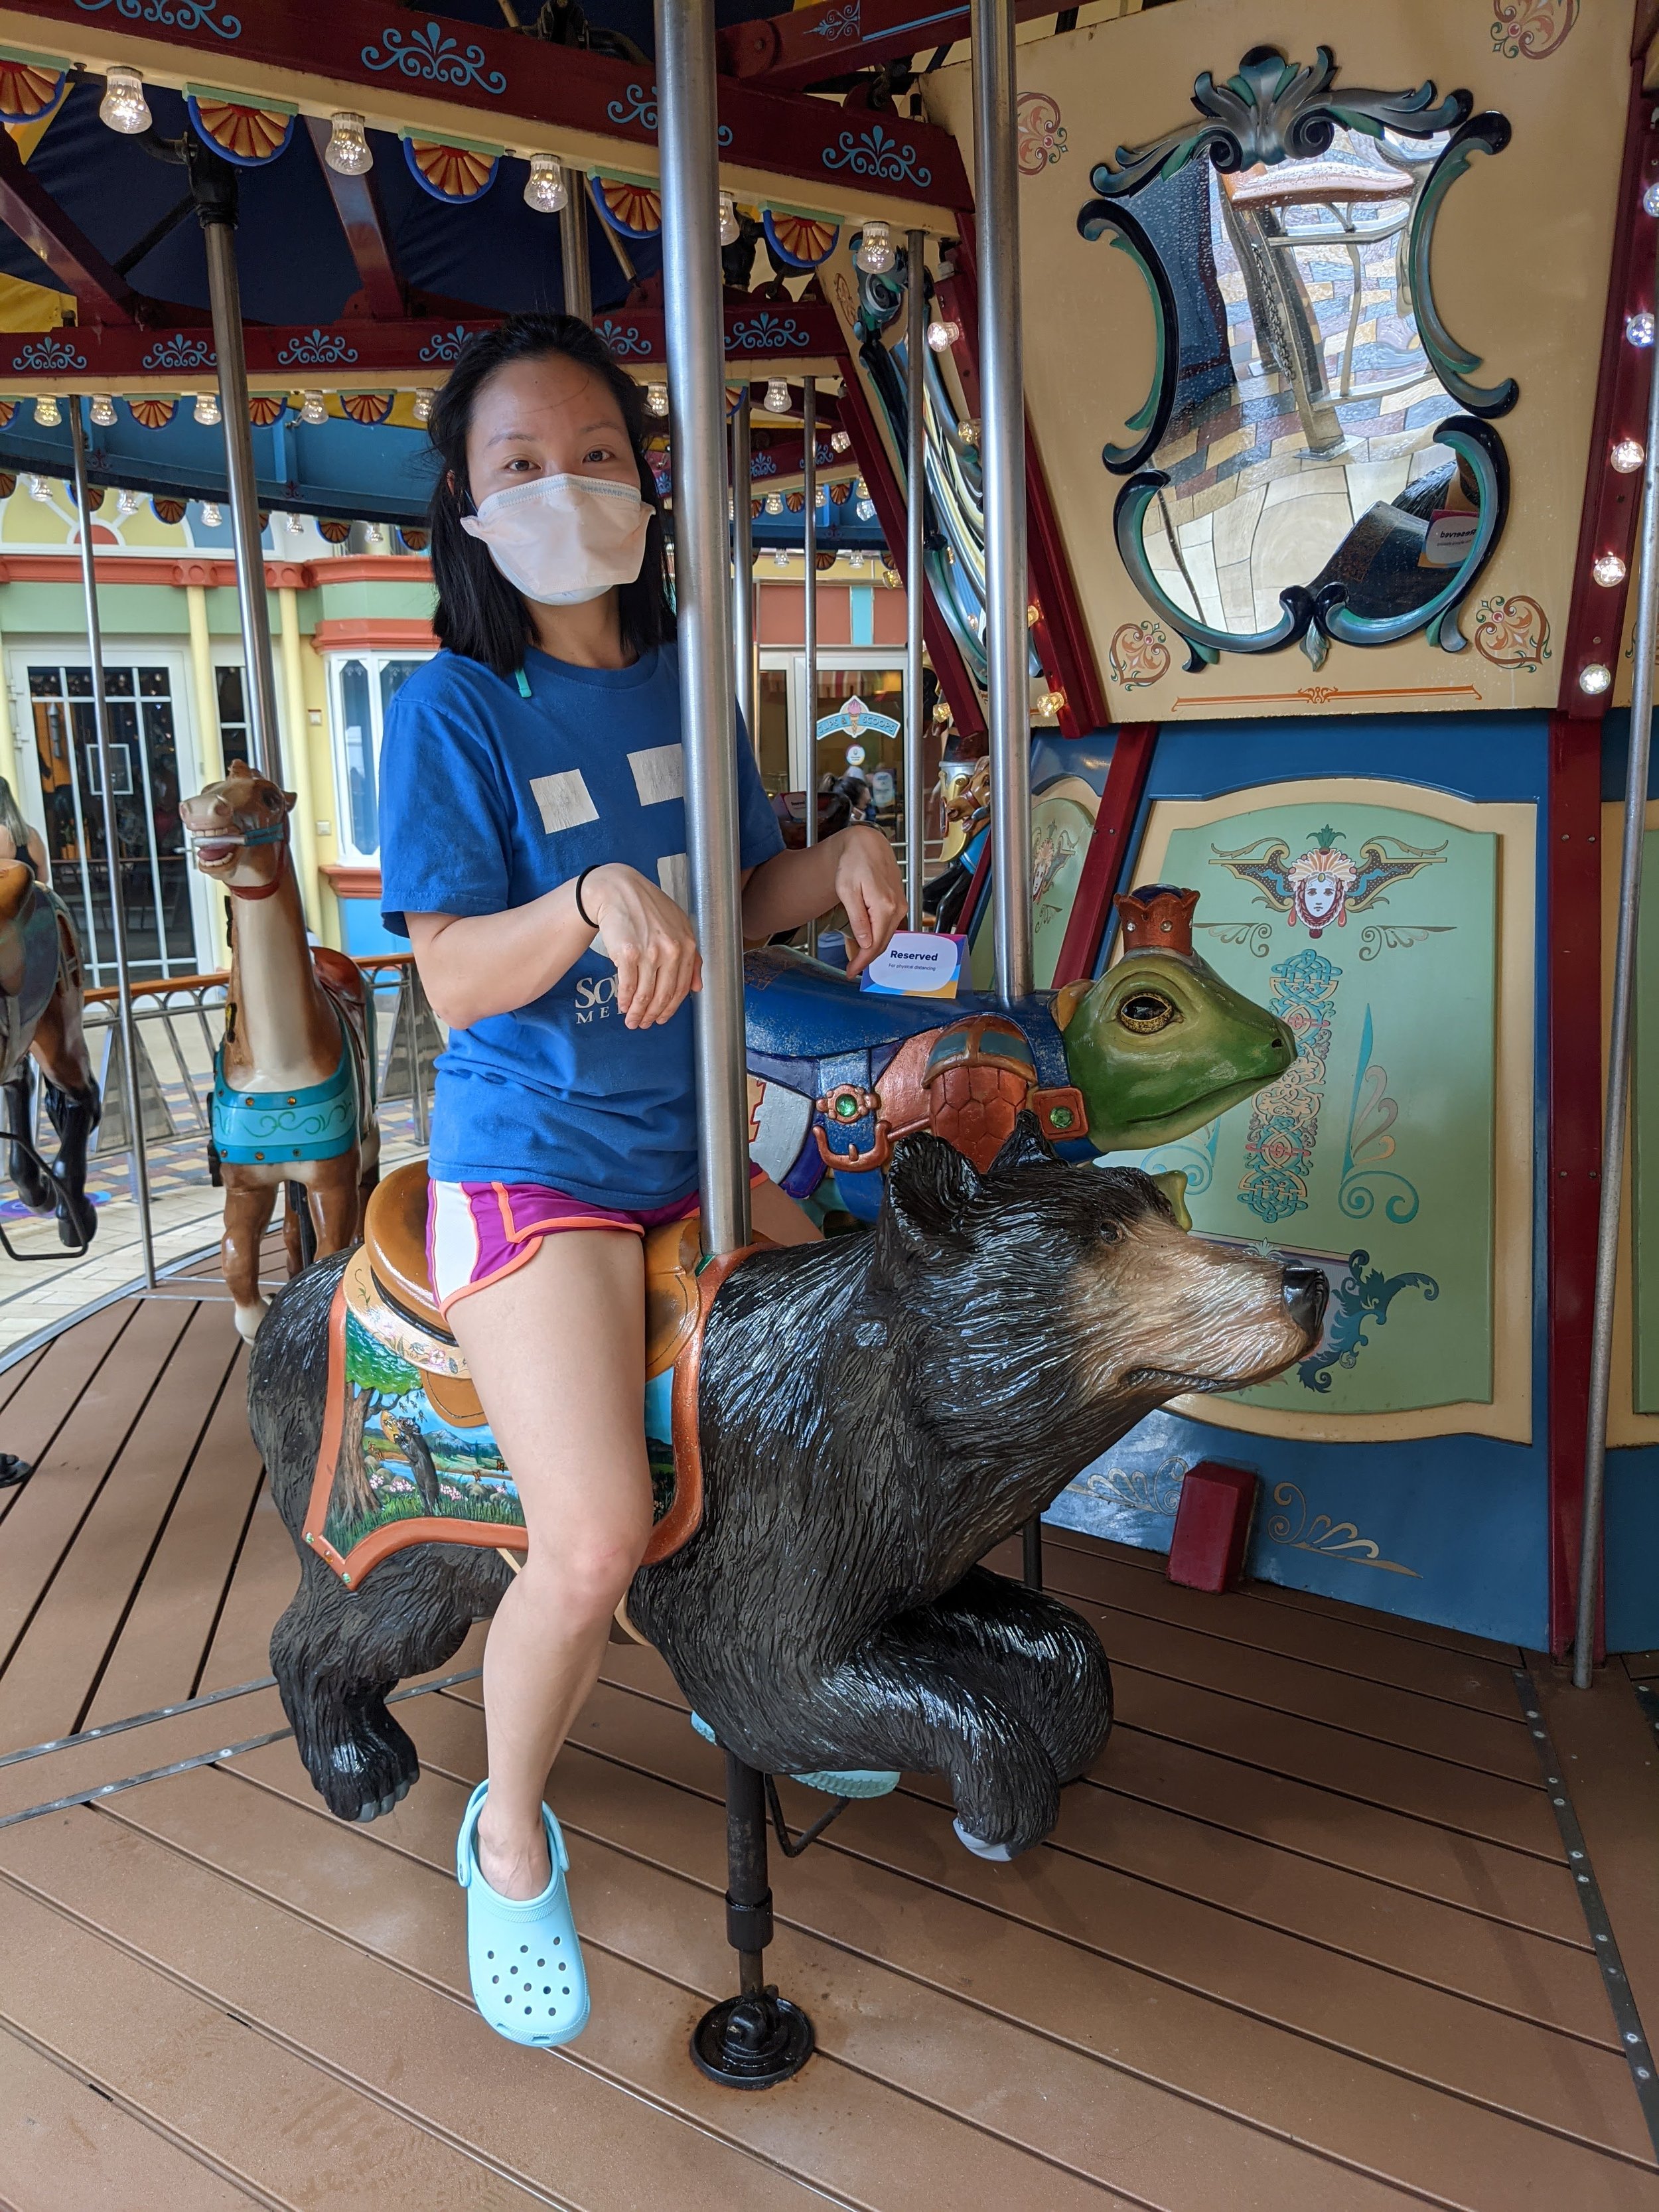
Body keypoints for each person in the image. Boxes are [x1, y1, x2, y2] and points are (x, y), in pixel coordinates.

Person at [378, 313, 906, 2050]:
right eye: (517, 465)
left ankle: (762, 1670)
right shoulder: (452, 707)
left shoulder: (688, 682)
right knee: (593, 1531)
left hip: (692, 1141)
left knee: (852, 1377)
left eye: (593, 453)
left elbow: (734, 895)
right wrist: (588, 894)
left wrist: (830, 859)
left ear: (645, 481)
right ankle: (508, 1826)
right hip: (536, 1164)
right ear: (463, 508)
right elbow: (454, 978)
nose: (562, 489)